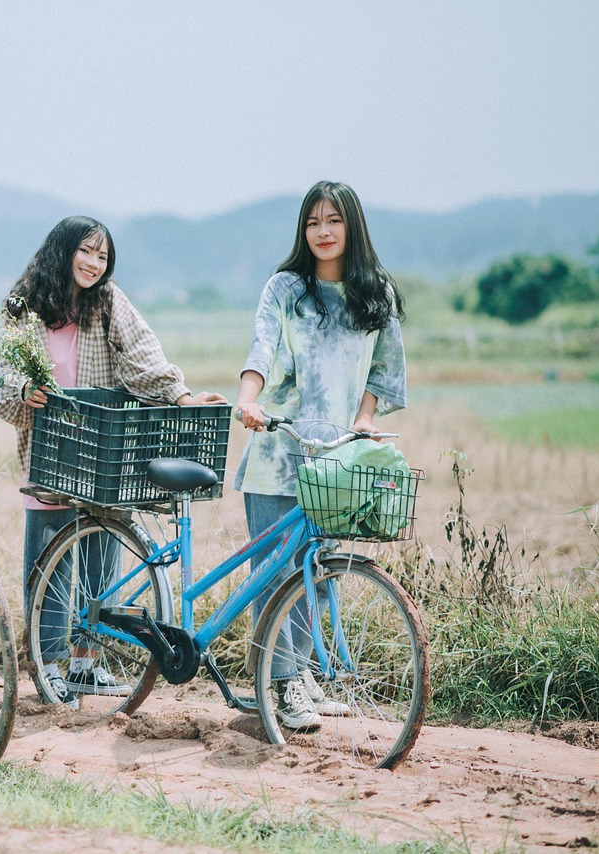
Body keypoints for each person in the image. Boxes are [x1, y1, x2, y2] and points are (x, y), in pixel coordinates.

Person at [0, 215, 226, 709]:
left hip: (103, 443)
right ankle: (48, 665)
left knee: (103, 551)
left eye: (103, 256)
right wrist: (23, 389)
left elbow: (142, 353)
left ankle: (87, 662)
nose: (94, 264)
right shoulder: (24, 305)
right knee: (50, 558)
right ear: (63, 250)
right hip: (52, 445)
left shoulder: (109, 301)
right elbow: (0, 365)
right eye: (87, 252)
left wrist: (181, 396)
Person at [231, 181, 406, 729]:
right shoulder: (286, 288)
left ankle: (301, 672)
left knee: (318, 573)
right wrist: (249, 398)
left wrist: (366, 417)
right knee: (274, 572)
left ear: (352, 227)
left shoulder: (375, 294)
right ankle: (281, 682)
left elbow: (385, 367)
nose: (323, 232)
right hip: (278, 449)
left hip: (336, 459)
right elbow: (261, 347)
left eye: (333, 221)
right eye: (312, 222)